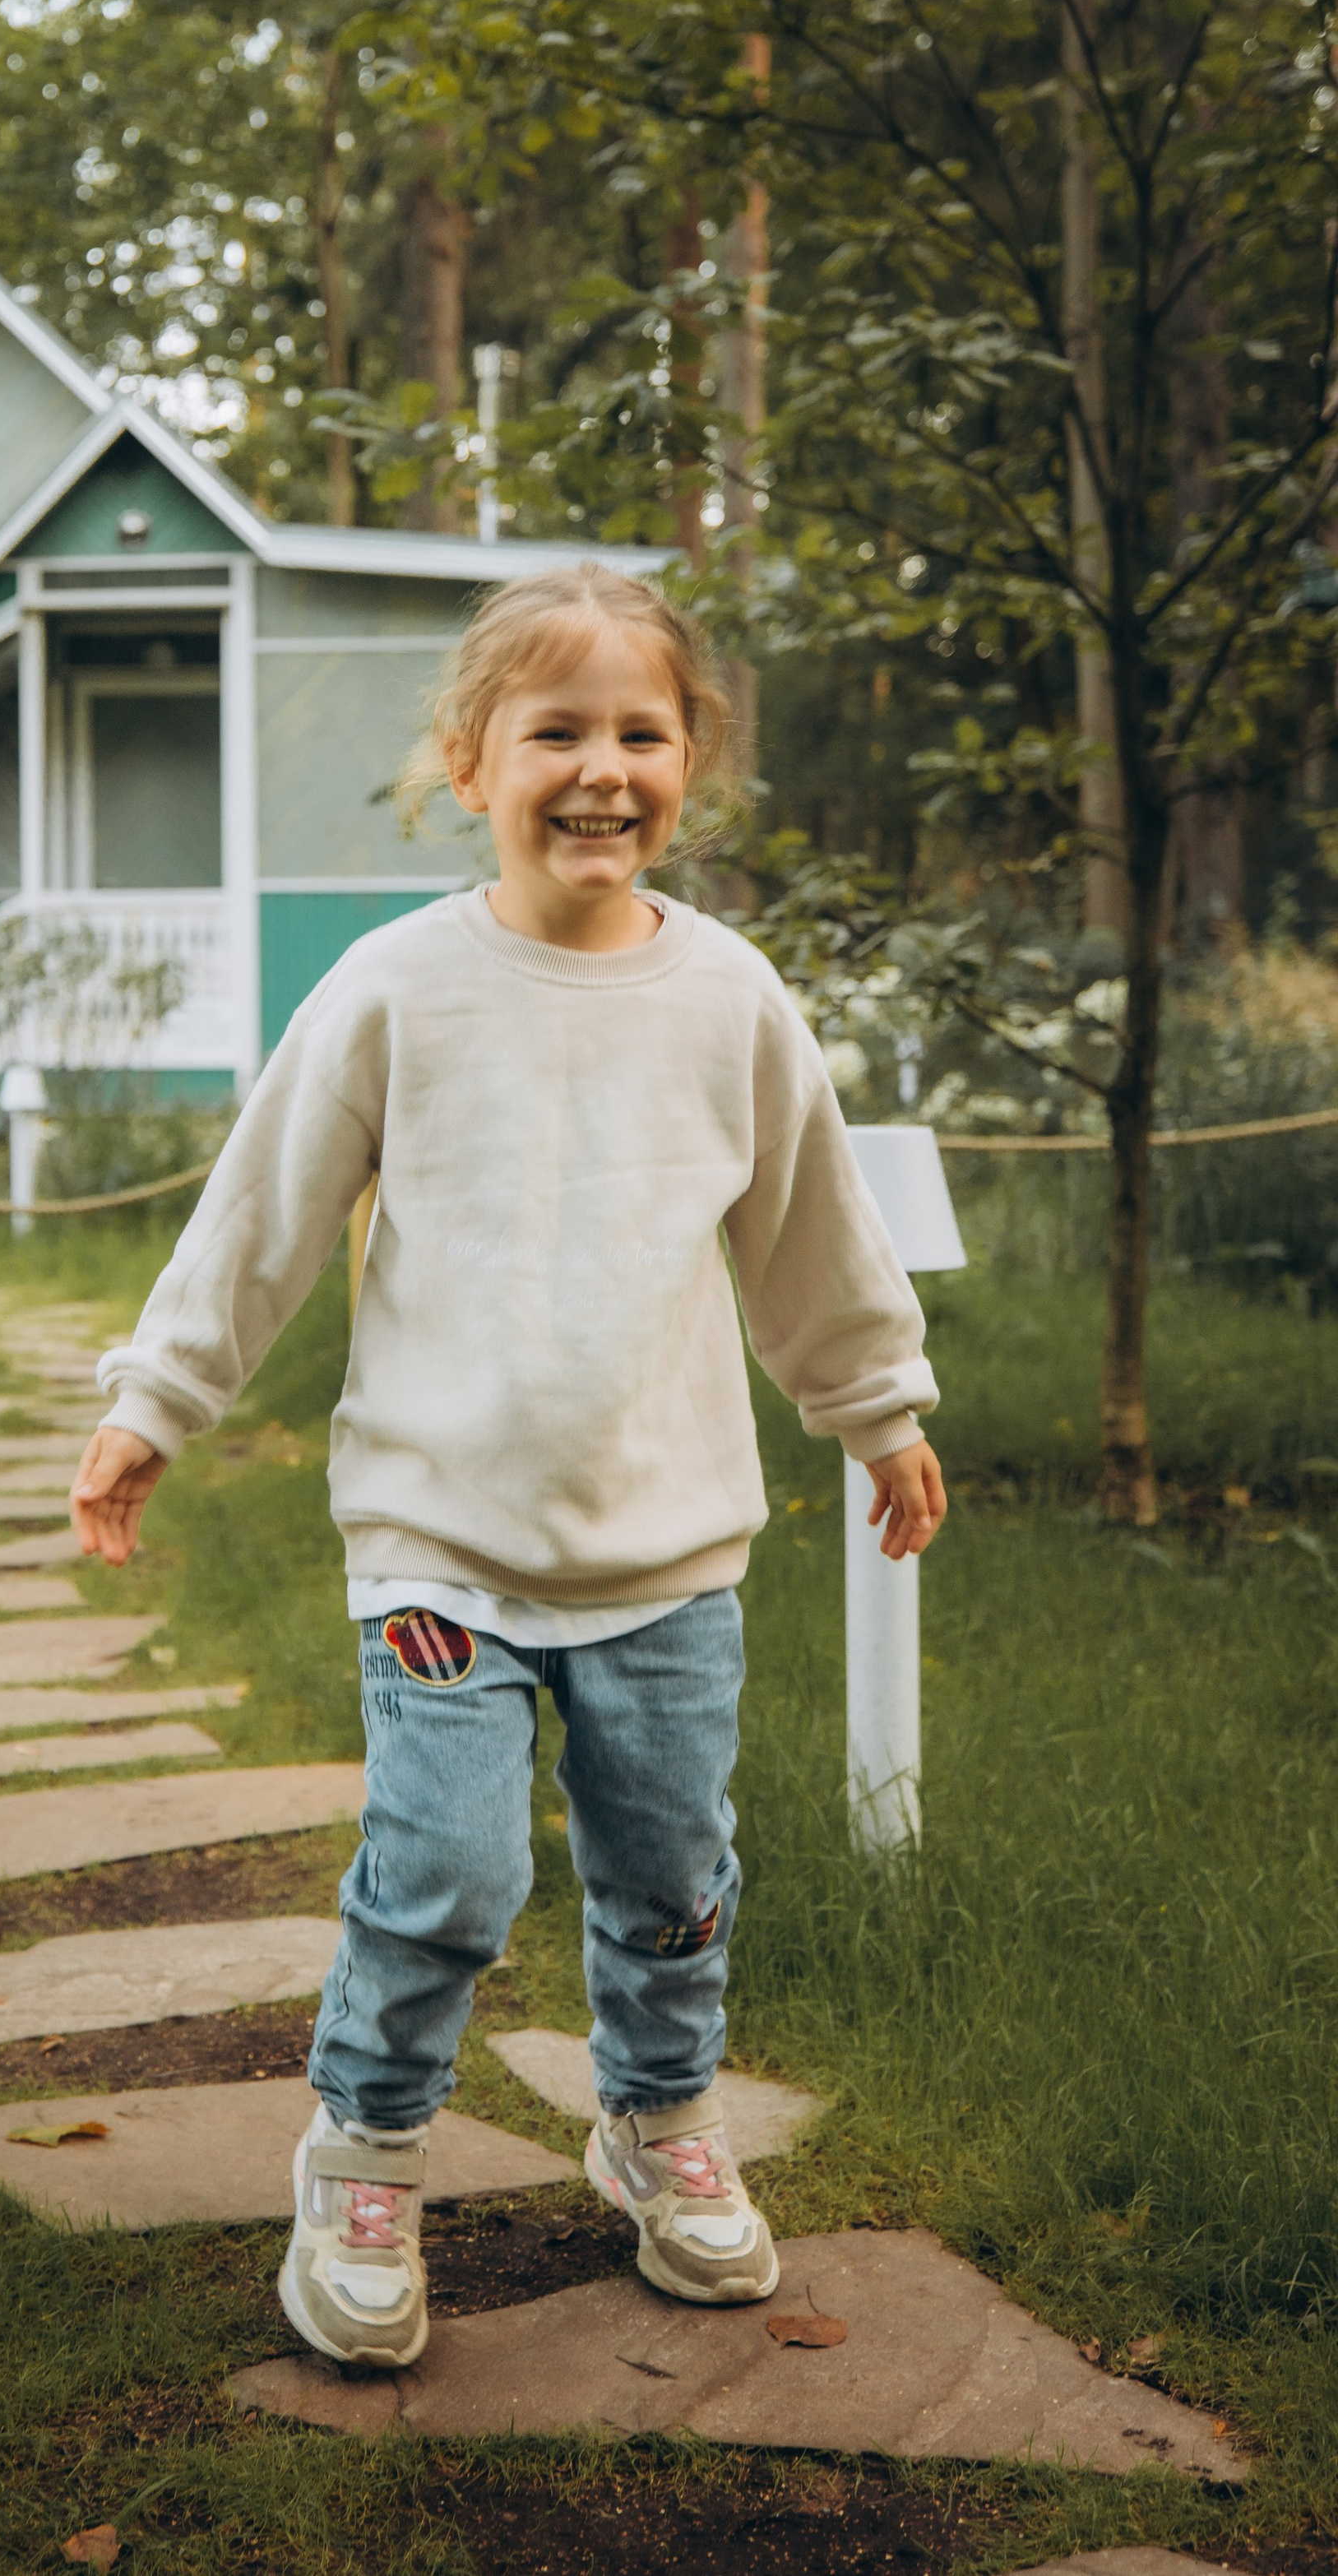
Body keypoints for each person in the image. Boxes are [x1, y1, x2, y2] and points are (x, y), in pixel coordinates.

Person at [70, 562, 945, 2372]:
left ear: (691, 757)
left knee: (671, 1875)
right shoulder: (396, 988)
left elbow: (812, 1233)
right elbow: (261, 1213)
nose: (602, 768)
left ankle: (657, 2118)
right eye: (556, 731)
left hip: (667, 1553)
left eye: (643, 730)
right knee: (449, 1870)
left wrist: (877, 1403)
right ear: (469, 760)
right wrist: (157, 1398)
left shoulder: (730, 998)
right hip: (439, 1543)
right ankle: (366, 2152)